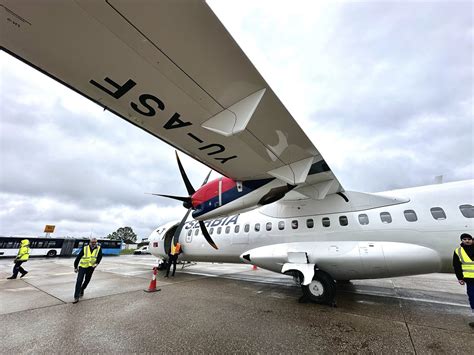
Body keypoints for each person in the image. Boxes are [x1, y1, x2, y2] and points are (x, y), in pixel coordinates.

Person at [452, 233, 474, 328]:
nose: (467, 240)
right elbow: (456, 266)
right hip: (469, 280)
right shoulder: (458, 251)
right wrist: (460, 278)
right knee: (473, 299)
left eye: (469, 239)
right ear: (462, 240)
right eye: (464, 239)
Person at [73, 238, 102, 303]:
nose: (93, 244)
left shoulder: (98, 248)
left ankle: (82, 289)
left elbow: (100, 256)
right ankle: (76, 297)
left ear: (96, 242)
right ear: (90, 242)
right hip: (83, 267)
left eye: (95, 242)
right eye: (92, 242)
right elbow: (78, 257)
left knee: (87, 281)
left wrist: (96, 263)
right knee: (79, 281)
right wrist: (75, 266)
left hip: (91, 267)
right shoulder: (85, 248)